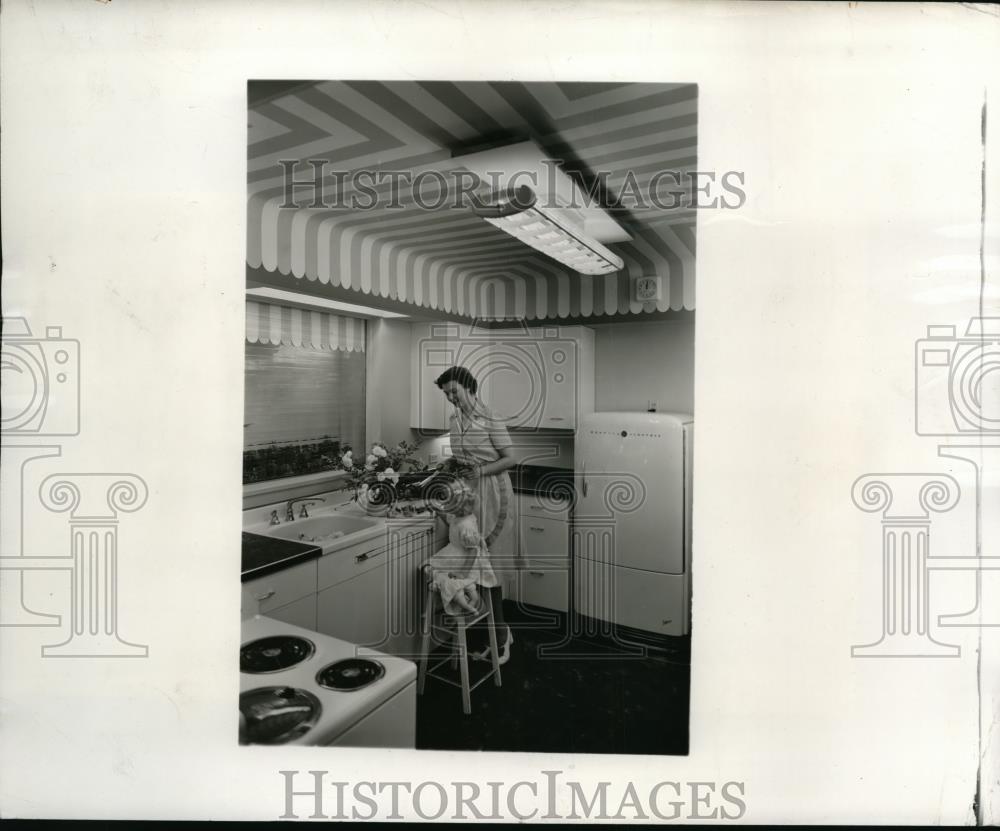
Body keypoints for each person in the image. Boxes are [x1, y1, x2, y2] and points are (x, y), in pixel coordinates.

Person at [435, 365, 518, 665]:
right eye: (446, 394)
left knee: (490, 569)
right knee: (475, 568)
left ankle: (499, 640)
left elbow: (510, 458)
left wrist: (480, 470)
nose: (451, 398)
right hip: (469, 496)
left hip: (495, 496)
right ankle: (499, 633)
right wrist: (450, 463)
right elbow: (463, 456)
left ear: (470, 388)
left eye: (453, 392)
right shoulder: (454, 420)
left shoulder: (490, 417)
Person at [425, 481, 498, 615]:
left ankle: (457, 597)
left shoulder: (466, 525)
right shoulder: (458, 516)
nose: (445, 505)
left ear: (458, 507)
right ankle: (459, 596)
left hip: (465, 558)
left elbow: (472, 550)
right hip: (455, 552)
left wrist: (463, 573)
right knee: (431, 569)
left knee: (431, 569)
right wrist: (437, 509)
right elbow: (448, 519)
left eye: (448, 503)